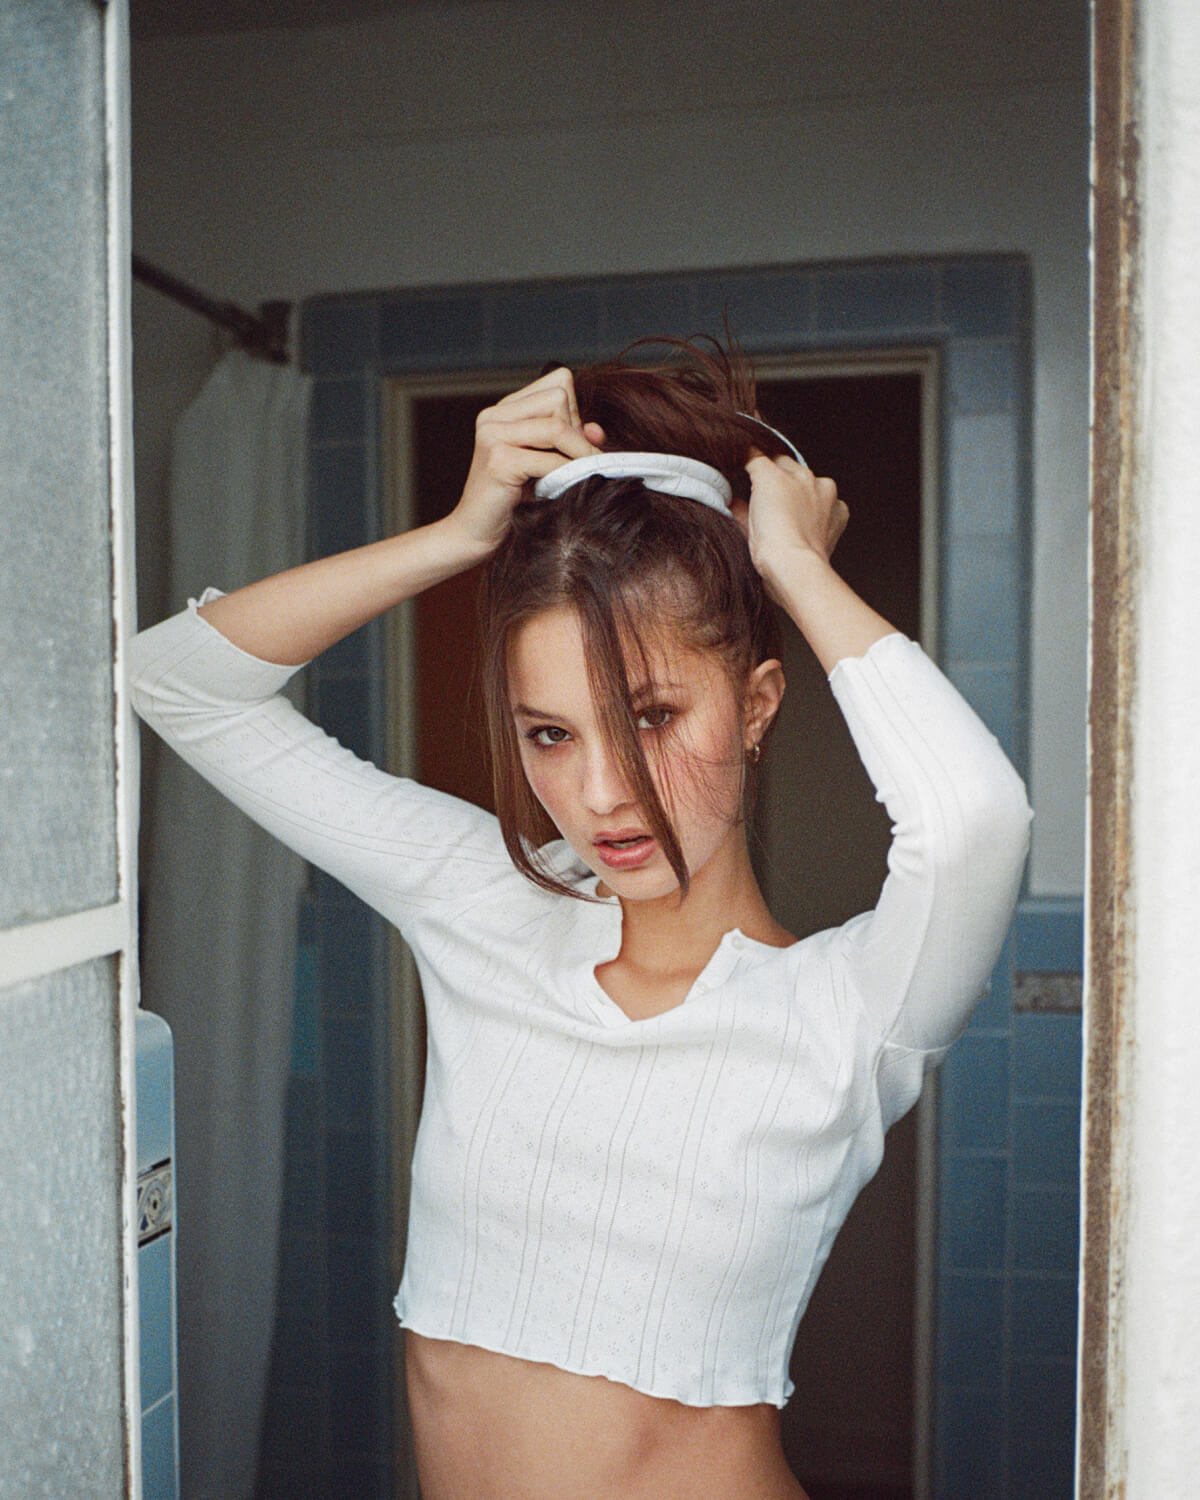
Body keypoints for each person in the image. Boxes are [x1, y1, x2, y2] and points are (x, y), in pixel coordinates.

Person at [129, 341, 1032, 1500]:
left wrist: (794, 567)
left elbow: (973, 822)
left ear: (756, 705)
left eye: (653, 715)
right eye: (551, 733)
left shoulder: (852, 1011)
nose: (603, 791)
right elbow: (175, 682)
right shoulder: (484, 901)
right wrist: (460, 535)